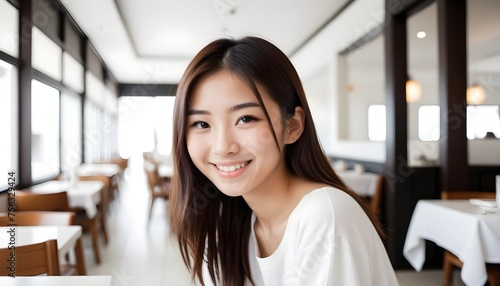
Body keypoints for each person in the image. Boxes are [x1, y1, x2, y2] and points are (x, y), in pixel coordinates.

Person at [169, 36, 398, 286]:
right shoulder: (228, 220)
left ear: (293, 126)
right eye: (202, 124)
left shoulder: (324, 217)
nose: (223, 147)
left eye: (246, 119)